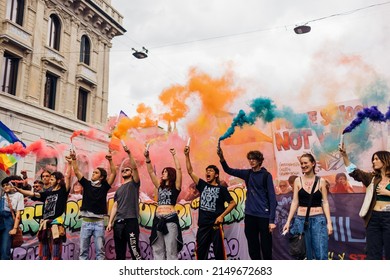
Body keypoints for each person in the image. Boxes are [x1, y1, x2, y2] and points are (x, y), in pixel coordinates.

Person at [217, 146, 276, 260]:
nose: (251, 161)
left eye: (254, 159)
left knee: (266, 247)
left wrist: (272, 220)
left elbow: (272, 198)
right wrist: (221, 158)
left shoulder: (266, 176)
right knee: (252, 246)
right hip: (250, 215)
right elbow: (228, 170)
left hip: (263, 216)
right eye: (250, 159)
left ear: (259, 161)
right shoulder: (247, 174)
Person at [15, 156, 72, 260]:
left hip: (56, 225)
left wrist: (70, 164)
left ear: (58, 181)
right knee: (44, 254)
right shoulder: (47, 193)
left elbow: (68, 176)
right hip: (45, 225)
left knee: (55, 254)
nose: (49, 181)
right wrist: (19, 190)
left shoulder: (63, 191)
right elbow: (32, 193)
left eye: (51, 179)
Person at [339, 144, 390, 259]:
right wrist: (345, 156)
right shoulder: (372, 178)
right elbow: (354, 172)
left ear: (386, 160)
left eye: (377, 159)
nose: (373, 161)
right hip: (374, 218)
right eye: (373, 159)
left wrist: (387, 193)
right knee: (373, 252)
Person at [185, 146, 236, 260]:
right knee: (201, 253)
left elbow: (233, 203)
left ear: (216, 175)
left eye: (211, 171)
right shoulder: (203, 185)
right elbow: (190, 171)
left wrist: (222, 216)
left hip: (215, 225)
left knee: (219, 254)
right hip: (203, 225)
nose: (207, 172)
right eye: (206, 171)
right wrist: (187, 155)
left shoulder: (222, 189)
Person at [282, 153, 333, 260]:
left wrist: (329, 223)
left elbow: (325, 202)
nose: (303, 165)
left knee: (321, 252)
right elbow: (295, 202)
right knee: (303, 254)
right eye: (301, 163)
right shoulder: (297, 181)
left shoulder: (321, 181)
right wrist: (288, 221)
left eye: (306, 163)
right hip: (300, 220)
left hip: (318, 220)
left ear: (313, 163)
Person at [70, 150, 116, 260]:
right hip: (86, 222)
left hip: (99, 223)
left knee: (100, 251)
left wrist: (110, 160)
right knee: (83, 251)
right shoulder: (86, 184)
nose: (93, 174)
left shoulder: (105, 187)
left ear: (101, 177)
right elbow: (76, 171)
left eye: (96, 173)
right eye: (93, 172)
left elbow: (114, 173)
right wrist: (74, 159)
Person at [144, 147, 183, 260]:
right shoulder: (159, 187)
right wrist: (147, 158)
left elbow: (179, 169)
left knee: (171, 251)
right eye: (163, 172)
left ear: (171, 174)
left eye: (166, 171)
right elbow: (151, 172)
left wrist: (175, 155)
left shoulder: (176, 187)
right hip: (158, 220)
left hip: (170, 220)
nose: (163, 173)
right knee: (157, 250)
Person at [107, 144, 142, 260]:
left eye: (127, 170)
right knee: (119, 253)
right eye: (123, 170)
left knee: (134, 251)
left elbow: (135, 168)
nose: (124, 171)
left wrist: (129, 153)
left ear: (132, 173)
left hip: (131, 221)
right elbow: (115, 206)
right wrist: (110, 222)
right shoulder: (119, 190)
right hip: (118, 223)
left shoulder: (134, 184)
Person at [0, 176, 25, 260]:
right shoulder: (2, 195)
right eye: (3, 185)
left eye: (7, 184)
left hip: (8, 222)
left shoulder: (19, 195)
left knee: (5, 248)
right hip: (0, 220)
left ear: (12, 184)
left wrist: (15, 228)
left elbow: (18, 214)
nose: (5, 187)